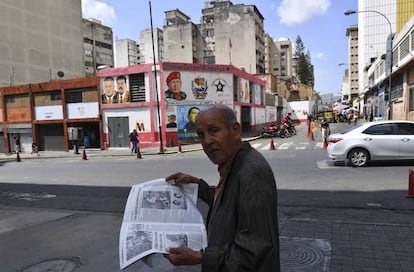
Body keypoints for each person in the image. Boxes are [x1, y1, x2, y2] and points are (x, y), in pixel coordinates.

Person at [164, 105, 280, 271]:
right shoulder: (233, 164)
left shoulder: (252, 173)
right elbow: (228, 205)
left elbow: (255, 248)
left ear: (235, 130)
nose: (207, 141)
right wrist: (196, 184)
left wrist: (201, 257)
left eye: (214, 131)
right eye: (201, 135)